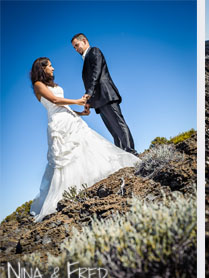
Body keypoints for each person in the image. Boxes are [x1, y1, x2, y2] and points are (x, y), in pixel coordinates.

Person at [29, 57, 140, 222]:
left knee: (87, 147)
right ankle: (70, 193)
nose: (53, 68)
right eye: (50, 66)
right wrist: (77, 101)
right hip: (59, 124)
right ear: (42, 68)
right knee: (68, 158)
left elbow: (63, 106)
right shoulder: (38, 84)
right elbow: (55, 101)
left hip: (70, 119)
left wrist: (81, 112)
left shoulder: (52, 84)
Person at [71, 33, 137, 155]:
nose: (76, 49)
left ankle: (131, 152)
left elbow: (97, 72)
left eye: (77, 45)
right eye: (74, 48)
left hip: (106, 95)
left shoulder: (94, 51)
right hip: (98, 101)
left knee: (119, 124)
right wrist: (89, 103)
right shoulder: (85, 59)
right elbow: (91, 81)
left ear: (84, 41)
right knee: (113, 131)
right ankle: (123, 157)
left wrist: (89, 94)